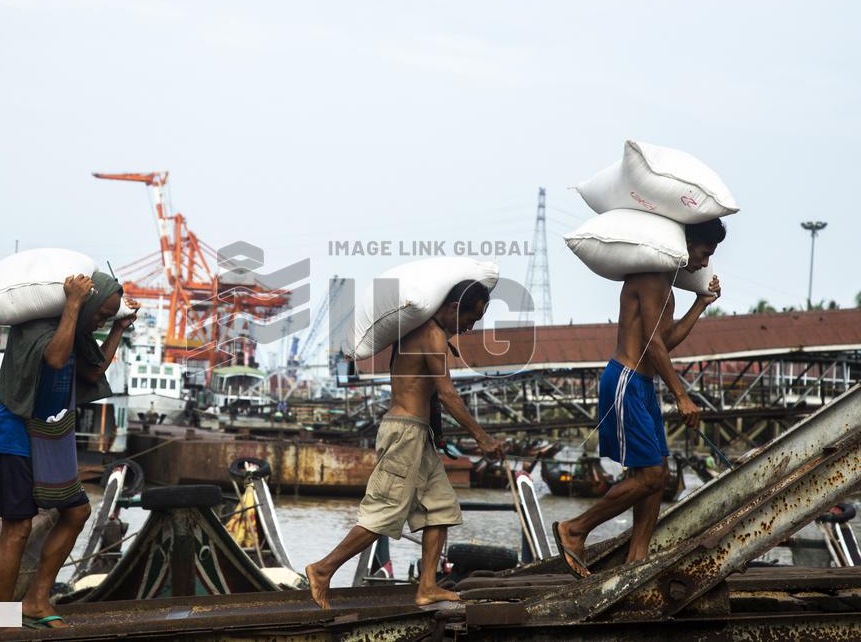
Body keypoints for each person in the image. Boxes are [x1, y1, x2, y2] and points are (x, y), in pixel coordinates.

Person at [307, 279, 505, 608]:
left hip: (419, 434)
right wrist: (482, 437)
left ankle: (427, 586)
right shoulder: (432, 335)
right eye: (470, 319)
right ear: (454, 308)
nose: (469, 328)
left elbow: (431, 396)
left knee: (441, 510)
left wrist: (438, 435)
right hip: (404, 434)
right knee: (383, 512)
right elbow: (447, 394)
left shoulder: (422, 332)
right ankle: (323, 570)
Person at [553, 218, 727, 578]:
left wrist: (701, 302)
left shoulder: (667, 286)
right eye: (703, 253)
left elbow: (667, 339)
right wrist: (682, 396)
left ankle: (637, 559)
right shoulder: (650, 279)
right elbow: (655, 344)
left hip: (644, 385)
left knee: (658, 475)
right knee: (648, 476)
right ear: (686, 243)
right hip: (626, 380)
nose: (704, 263)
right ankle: (574, 529)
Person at [0, 272, 138, 629]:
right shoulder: (35, 327)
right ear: (85, 304)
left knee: (77, 511)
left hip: (49, 439)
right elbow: (54, 358)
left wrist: (118, 328)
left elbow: (93, 369)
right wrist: (72, 304)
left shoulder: (76, 334)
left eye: (106, 316)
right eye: (102, 314)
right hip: (13, 440)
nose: (101, 321)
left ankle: (36, 600)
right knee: (18, 528)